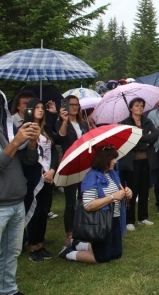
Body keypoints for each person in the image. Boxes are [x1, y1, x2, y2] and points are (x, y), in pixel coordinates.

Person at [59, 146, 132, 263]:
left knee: (116, 254)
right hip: (101, 221)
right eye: (112, 158)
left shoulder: (112, 173)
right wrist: (112, 197)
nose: (115, 161)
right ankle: (68, 253)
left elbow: (120, 191)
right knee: (102, 258)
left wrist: (128, 193)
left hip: (114, 219)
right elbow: (88, 205)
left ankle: (78, 244)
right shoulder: (91, 176)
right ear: (103, 159)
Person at [0, 90, 40, 295]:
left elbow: (29, 161)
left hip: (16, 200)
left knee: (11, 253)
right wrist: (16, 142)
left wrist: (32, 141)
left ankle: (8, 290)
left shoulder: (8, 129)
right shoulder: (13, 134)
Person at [22, 99, 59, 262]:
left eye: (42, 108)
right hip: (34, 176)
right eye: (36, 108)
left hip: (48, 176)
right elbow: (25, 156)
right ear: (29, 111)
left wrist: (52, 170)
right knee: (35, 212)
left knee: (44, 211)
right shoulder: (25, 129)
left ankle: (40, 244)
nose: (40, 110)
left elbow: (54, 151)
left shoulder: (46, 130)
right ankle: (32, 247)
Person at [120, 98, 159, 230]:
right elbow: (129, 142)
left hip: (146, 161)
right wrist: (146, 140)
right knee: (132, 190)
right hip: (132, 163)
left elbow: (155, 135)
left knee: (144, 190)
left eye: (142, 106)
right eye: (137, 106)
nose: (140, 108)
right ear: (131, 108)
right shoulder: (125, 123)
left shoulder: (147, 121)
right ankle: (129, 220)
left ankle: (143, 217)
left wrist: (139, 137)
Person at [56, 95, 90, 245]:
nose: (74, 107)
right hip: (70, 164)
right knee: (70, 201)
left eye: (76, 104)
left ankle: (82, 228)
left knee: (84, 198)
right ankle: (69, 233)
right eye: (71, 104)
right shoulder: (61, 122)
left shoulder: (83, 124)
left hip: (84, 164)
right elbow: (60, 138)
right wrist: (64, 121)